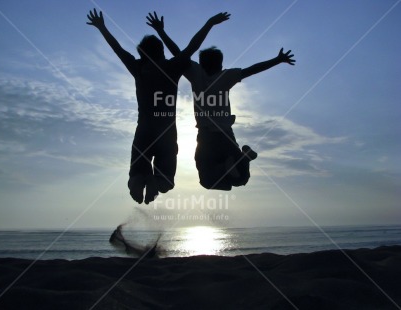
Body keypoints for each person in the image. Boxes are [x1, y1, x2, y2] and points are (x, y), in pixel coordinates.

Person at [87, 9, 230, 203]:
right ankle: (156, 184)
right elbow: (192, 46)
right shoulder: (172, 67)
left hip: (144, 129)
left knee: (136, 173)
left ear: (141, 53)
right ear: (161, 52)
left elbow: (117, 49)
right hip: (166, 131)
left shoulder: (138, 68)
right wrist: (209, 23)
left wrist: (102, 27)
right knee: (166, 181)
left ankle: (139, 182)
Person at [147, 12, 295, 190]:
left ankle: (233, 163)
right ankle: (240, 159)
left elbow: (178, 53)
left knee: (207, 182)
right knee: (240, 180)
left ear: (202, 63)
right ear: (220, 65)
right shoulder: (226, 76)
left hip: (206, 137)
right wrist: (277, 60)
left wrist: (161, 31)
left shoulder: (195, 72)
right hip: (226, 135)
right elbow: (253, 69)